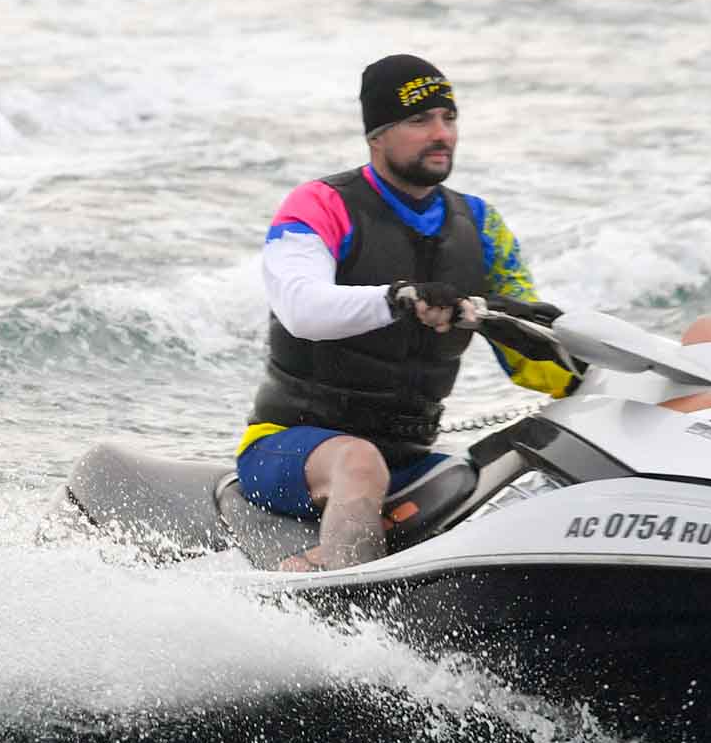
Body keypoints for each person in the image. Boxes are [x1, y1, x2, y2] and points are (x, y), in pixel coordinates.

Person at [238, 54, 582, 571]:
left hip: (410, 459)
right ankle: (342, 607)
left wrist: (599, 374)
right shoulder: (319, 206)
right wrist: (397, 298)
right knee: (359, 462)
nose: (441, 133)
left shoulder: (482, 226)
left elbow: (536, 367)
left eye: (449, 117)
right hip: (288, 447)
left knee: (516, 474)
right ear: (376, 136)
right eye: (420, 120)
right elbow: (301, 310)